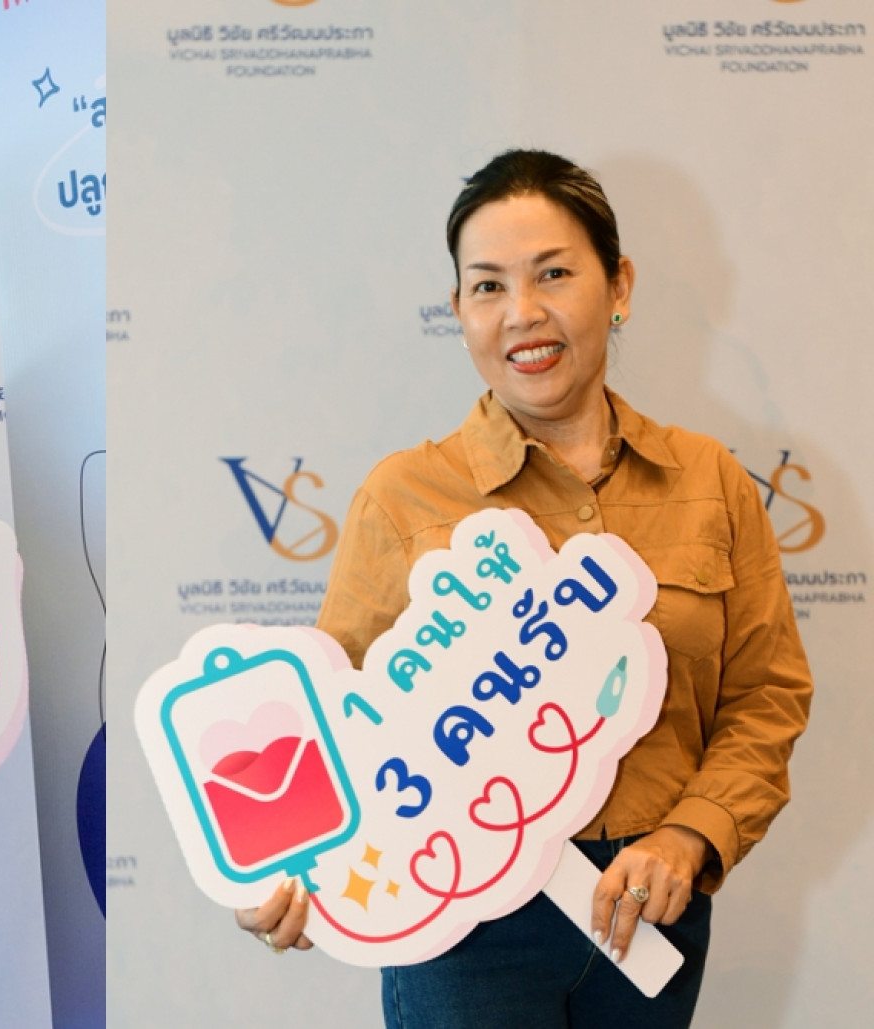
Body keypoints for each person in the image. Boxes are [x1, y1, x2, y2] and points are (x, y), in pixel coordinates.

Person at [234, 149, 812, 1027]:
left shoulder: (711, 480)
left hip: (647, 911)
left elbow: (766, 694)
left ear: (618, 286)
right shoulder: (403, 496)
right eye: (488, 286)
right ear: (459, 312)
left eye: (553, 273)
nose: (522, 313)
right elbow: (334, 721)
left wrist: (692, 831)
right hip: (460, 922)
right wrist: (285, 867)